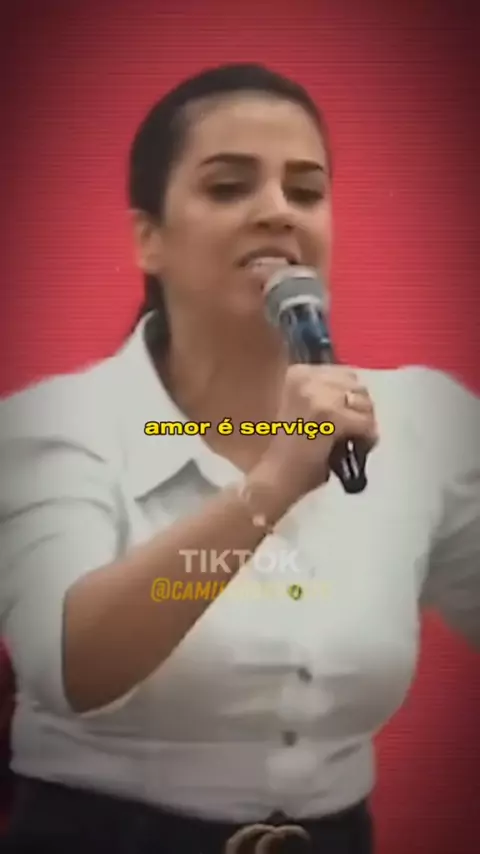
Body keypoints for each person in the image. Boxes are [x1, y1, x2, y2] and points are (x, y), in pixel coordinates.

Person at [0, 62, 479, 854]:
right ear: (147, 238)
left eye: (306, 191)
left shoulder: (423, 422)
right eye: (228, 188)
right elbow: (69, 666)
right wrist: (274, 483)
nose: (277, 211)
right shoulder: (53, 427)